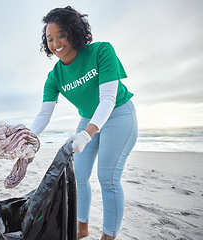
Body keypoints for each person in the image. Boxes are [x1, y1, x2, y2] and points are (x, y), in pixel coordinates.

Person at [30, 6, 138, 240]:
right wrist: (24, 140)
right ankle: (82, 228)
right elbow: (43, 115)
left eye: (62, 34)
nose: (56, 43)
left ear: (75, 32)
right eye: (50, 38)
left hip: (119, 114)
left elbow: (108, 99)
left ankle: (108, 236)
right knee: (79, 177)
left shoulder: (101, 51)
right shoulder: (54, 76)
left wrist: (87, 134)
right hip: (88, 118)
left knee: (108, 178)